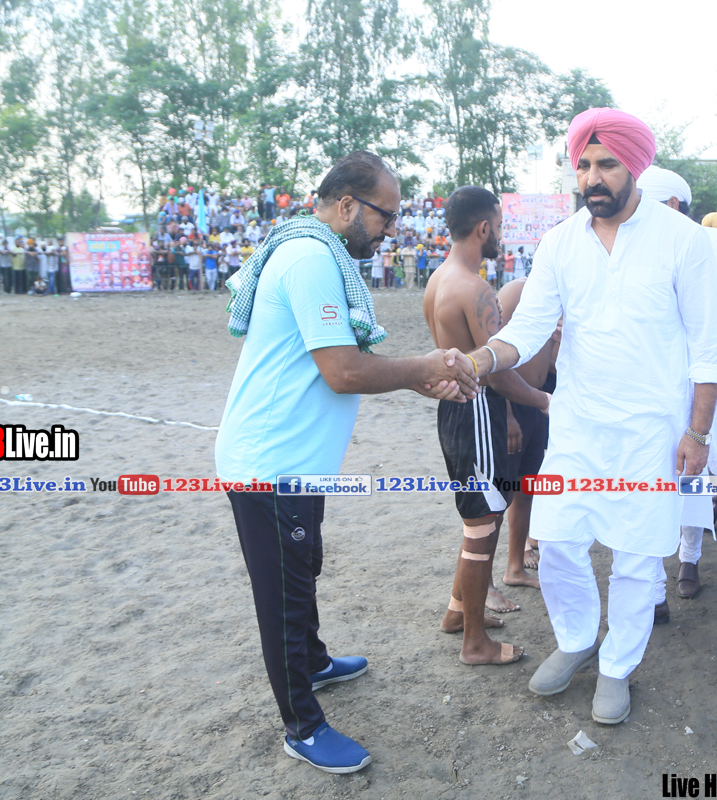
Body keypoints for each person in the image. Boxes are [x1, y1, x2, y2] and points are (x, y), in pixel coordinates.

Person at [215, 151, 477, 775]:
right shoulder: (310, 259)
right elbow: (343, 371)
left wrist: (418, 377)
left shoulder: (314, 252)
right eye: (386, 214)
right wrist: (423, 368)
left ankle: (312, 663)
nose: (390, 228)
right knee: (283, 595)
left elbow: (341, 367)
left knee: (302, 568)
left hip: (292, 462)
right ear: (348, 205)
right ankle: (302, 727)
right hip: (270, 465)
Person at [470, 108, 717, 725]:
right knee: (557, 541)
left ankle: (617, 666)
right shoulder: (561, 242)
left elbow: (710, 345)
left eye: (606, 164)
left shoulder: (683, 240)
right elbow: (530, 327)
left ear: (634, 166)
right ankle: (578, 640)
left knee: (636, 557)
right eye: (583, 165)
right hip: (578, 425)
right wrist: (479, 360)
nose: (592, 177)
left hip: (651, 430)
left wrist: (698, 431)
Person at [423, 186, 553, 665]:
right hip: (476, 411)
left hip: (455, 410)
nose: (500, 234)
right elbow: (496, 371)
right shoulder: (475, 290)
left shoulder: (439, 279)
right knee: (483, 527)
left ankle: (459, 612)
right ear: (484, 228)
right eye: (498, 225)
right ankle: (475, 643)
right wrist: (542, 400)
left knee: (481, 518)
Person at [636, 165, 717, 605]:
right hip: (655, 382)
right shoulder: (634, 249)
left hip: (710, 384)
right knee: (651, 477)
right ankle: (651, 580)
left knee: (695, 473)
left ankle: (689, 559)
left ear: (672, 205)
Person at [497, 276, 559, 590]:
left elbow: (550, 364)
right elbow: (495, 358)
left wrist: (559, 339)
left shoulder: (562, 294)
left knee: (526, 487)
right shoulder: (515, 292)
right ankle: (487, 582)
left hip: (540, 400)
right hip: (513, 403)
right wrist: (508, 415)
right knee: (498, 496)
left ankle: (515, 566)